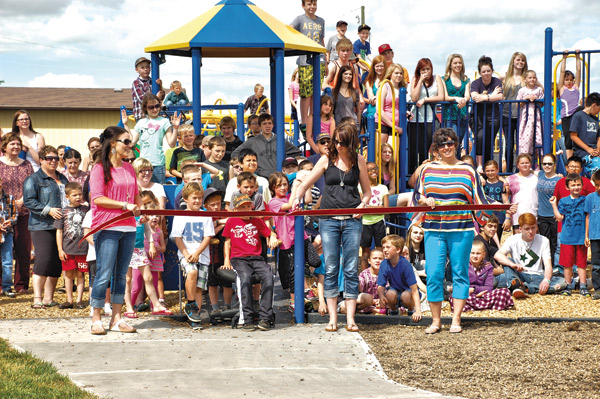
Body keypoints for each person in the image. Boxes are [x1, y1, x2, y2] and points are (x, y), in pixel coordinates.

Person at [412, 128, 505, 334]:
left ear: (456, 144)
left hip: (461, 229)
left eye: (450, 143)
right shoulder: (428, 170)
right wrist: (425, 200)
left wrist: (503, 206)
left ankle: (456, 319)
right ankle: (436, 320)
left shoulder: (468, 170)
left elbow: (480, 199)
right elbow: (417, 195)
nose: (446, 147)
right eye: (442, 144)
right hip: (434, 228)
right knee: (434, 273)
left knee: (460, 273)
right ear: (436, 148)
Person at [293, 122, 371, 333]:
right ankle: (332, 318)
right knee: (331, 267)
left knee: (351, 267)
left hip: (352, 219)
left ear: (351, 142)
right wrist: (296, 199)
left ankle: (351, 319)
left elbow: (367, 192)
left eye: (342, 142)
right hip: (328, 219)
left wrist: (363, 205)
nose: (338, 145)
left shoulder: (359, 160)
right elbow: (305, 183)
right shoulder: (327, 160)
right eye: (335, 141)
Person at [88, 126, 142, 335]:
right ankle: (96, 318)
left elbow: (136, 194)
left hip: (128, 227)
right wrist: (124, 205)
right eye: (126, 142)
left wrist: (138, 208)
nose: (130, 146)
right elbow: (98, 198)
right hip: (107, 226)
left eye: (130, 142)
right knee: (103, 273)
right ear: (113, 144)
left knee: (121, 276)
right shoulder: (99, 169)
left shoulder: (129, 168)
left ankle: (117, 319)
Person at [222, 193, 280, 331]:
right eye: (243, 207)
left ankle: (265, 317)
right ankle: (247, 318)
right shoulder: (231, 221)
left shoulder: (257, 220)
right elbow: (227, 241)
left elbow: (269, 232)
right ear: (235, 209)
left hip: (257, 258)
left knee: (268, 275)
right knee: (245, 278)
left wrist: (272, 236)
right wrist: (226, 260)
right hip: (239, 259)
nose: (247, 209)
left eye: (249, 206)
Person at [24, 145, 69, 309]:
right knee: (43, 260)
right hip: (41, 225)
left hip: (61, 225)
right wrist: (48, 210)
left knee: (57, 261)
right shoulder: (33, 179)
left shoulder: (63, 178)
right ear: (41, 160)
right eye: (49, 158)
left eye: (56, 158)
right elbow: (29, 201)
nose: (53, 161)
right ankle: (37, 298)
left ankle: (48, 298)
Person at [171, 182, 214, 324]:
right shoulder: (180, 216)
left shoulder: (205, 216)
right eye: (194, 198)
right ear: (186, 199)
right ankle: (190, 303)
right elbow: (177, 238)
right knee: (192, 273)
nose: (197, 201)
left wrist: (197, 253)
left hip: (202, 256)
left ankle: (194, 317)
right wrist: (186, 253)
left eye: (199, 198)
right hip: (186, 254)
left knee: (199, 288)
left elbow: (208, 237)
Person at [494, 213, 566, 298]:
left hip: (537, 276)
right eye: (527, 229)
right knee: (497, 275)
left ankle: (523, 288)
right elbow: (497, 255)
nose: (531, 231)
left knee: (562, 282)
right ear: (520, 229)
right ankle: (516, 284)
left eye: (533, 228)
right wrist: (512, 264)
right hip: (518, 274)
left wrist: (546, 280)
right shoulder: (513, 239)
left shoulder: (544, 240)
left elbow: (548, 265)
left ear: (536, 227)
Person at [268, 172, 311, 311]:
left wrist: (304, 183)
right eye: (278, 185)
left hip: (301, 237)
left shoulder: (290, 196)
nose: (282, 187)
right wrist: (295, 186)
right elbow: (289, 205)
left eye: (285, 184)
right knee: (293, 271)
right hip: (288, 241)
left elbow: (308, 199)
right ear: (273, 188)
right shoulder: (273, 202)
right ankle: (294, 300)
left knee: (315, 261)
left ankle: (308, 287)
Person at [0, 133, 34, 294]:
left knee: (23, 248)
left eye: (18, 144)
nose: (15, 147)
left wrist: (21, 201)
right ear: (4, 146)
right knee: (2, 249)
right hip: (2, 214)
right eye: (12, 144)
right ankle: (1, 285)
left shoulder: (26, 164)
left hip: (23, 211)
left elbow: (32, 186)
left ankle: (21, 285)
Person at [289, 0, 325, 146]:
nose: (312, 7)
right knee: (306, 92)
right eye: (309, 4)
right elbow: (289, 29)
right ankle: (304, 121)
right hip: (305, 59)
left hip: (319, 59)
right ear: (303, 6)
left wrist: (326, 60)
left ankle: (314, 118)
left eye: (314, 4)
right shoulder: (299, 19)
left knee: (316, 92)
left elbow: (322, 40)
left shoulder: (321, 21)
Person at [127, 93, 180, 184]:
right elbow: (132, 143)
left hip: (158, 163)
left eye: (157, 106)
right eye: (151, 107)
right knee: (143, 192)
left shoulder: (164, 121)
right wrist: (125, 125)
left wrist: (175, 128)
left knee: (157, 191)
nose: (155, 109)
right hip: (143, 164)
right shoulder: (141, 122)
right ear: (145, 108)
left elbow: (171, 144)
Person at [550, 174, 589, 296]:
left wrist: (587, 235)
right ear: (568, 187)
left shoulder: (585, 199)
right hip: (567, 237)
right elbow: (559, 218)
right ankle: (568, 285)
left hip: (581, 236)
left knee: (582, 263)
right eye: (573, 185)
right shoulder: (564, 201)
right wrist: (554, 205)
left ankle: (583, 285)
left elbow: (588, 216)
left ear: (582, 186)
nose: (576, 187)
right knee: (567, 264)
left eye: (578, 184)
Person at [231, 114, 301, 179]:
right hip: (260, 176)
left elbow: (297, 152)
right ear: (260, 126)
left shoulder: (280, 140)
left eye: (269, 123)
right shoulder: (252, 141)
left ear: (273, 125)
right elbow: (235, 154)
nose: (267, 126)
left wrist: (286, 161)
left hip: (277, 176)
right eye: (264, 124)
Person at [450, 240, 514, 312]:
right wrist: (471, 292)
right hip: (467, 296)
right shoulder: (463, 266)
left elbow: (489, 287)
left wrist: (474, 290)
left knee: (504, 292)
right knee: (455, 297)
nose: (475, 256)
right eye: (472, 253)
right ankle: (482, 308)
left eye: (478, 253)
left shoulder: (488, 267)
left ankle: (484, 309)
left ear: (483, 254)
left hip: (484, 295)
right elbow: (460, 285)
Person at [54, 182, 89, 309]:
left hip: (83, 249)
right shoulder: (63, 212)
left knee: (80, 274)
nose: (78, 197)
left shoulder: (86, 210)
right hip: (68, 248)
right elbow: (59, 231)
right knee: (68, 275)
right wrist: (60, 249)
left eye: (80, 194)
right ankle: (69, 300)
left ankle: (79, 300)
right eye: (75, 195)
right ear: (67, 196)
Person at [408, 58, 444, 174]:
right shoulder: (415, 79)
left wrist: (425, 99)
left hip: (429, 119)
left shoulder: (436, 78)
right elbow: (414, 97)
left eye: (428, 69)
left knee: (425, 149)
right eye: (423, 69)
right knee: (413, 150)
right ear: (419, 71)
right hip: (415, 119)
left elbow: (441, 97)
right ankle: (411, 175)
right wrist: (420, 81)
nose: (426, 72)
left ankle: (423, 174)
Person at [377, 235, 422, 321]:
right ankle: (393, 311)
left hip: (407, 291)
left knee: (406, 296)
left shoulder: (405, 265)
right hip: (395, 290)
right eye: (383, 248)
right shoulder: (384, 264)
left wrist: (418, 310)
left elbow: (414, 289)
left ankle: (411, 310)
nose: (385, 250)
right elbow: (380, 285)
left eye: (388, 247)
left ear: (398, 250)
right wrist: (381, 296)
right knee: (389, 294)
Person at [470, 55, 504, 170]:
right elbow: (475, 96)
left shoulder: (497, 81)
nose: (486, 73)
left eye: (488, 71)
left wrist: (485, 98)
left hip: (493, 117)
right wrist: (491, 95)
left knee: (489, 142)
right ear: (480, 72)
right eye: (483, 71)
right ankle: (479, 165)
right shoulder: (475, 83)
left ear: (492, 71)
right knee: (480, 137)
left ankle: (488, 167)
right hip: (477, 116)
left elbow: (500, 96)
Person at [500, 52, 532, 170]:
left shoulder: (526, 78)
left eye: (522, 60)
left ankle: (520, 169)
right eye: (518, 60)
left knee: (521, 144)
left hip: (522, 115)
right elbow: (493, 83)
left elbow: (541, 88)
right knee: (509, 144)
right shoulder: (505, 77)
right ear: (513, 61)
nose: (520, 62)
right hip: (506, 114)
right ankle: (509, 169)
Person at [360, 162, 389, 270]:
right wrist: (378, 208)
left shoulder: (383, 188)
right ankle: (364, 277)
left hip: (379, 222)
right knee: (365, 253)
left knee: (381, 250)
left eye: (375, 169)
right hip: (365, 223)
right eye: (370, 170)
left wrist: (369, 208)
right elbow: (362, 208)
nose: (373, 171)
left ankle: (380, 275)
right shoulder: (360, 187)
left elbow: (386, 210)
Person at [340, 249, 384, 314]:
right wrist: (373, 301)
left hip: (380, 303)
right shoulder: (364, 275)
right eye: (375, 258)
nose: (377, 261)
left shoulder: (386, 275)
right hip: (366, 302)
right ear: (369, 261)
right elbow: (360, 293)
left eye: (380, 259)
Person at [441, 53, 470, 149]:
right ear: (450, 65)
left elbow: (467, 95)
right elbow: (445, 96)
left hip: (462, 115)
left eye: (460, 63)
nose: (458, 65)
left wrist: (465, 100)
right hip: (449, 115)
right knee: (451, 142)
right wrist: (455, 98)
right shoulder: (444, 79)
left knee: (458, 143)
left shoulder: (466, 79)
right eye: (455, 63)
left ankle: (457, 161)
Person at [504, 153, 538, 233]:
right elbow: (505, 199)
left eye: (527, 162)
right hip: (517, 215)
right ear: (518, 165)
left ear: (530, 164)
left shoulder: (536, 178)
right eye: (522, 163)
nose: (524, 165)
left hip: (533, 213)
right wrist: (508, 216)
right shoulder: (510, 179)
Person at [536, 154, 561, 261]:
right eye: (544, 163)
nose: (546, 166)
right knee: (544, 241)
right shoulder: (540, 174)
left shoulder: (559, 179)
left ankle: (556, 265)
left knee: (554, 242)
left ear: (554, 165)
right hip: (542, 215)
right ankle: (547, 263)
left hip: (554, 215)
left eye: (549, 164)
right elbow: (527, 171)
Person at [558, 50, 582, 160]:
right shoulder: (562, 89)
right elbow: (562, 73)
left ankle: (578, 160)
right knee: (568, 140)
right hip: (567, 117)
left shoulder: (576, 87)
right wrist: (564, 58)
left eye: (571, 80)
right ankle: (569, 161)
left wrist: (577, 57)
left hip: (576, 115)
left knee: (577, 137)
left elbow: (578, 70)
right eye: (567, 80)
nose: (569, 82)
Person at [569, 92, 600, 176]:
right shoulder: (578, 116)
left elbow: (598, 137)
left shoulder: (595, 119)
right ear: (594, 105)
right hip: (582, 152)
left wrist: (598, 149)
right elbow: (573, 136)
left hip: (594, 151)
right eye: (599, 109)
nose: (599, 111)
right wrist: (588, 149)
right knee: (597, 165)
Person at [375, 64, 406, 146]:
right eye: (396, 73)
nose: (399, 75)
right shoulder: (384, 86)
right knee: (380, 153)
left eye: (401, 73)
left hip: (395, 124)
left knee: (393, 154)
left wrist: (407, 113)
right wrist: (393, 126)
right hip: (383, 123)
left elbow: (398, 107)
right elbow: (379, 110)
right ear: (390, 74)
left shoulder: (402, 89)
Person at [517, 70, 544, 157]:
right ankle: (526, 158)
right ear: (525, 80)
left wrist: (536, 99)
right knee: (526, 138)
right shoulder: (522, 90)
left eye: (534, 77)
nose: (532, 79)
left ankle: (537, 161)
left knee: (538, 137)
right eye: (530, 77)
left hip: (537, 116)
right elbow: (518, 105)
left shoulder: (539, 90)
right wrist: (526, 99)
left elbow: (542, 104)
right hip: (526, 117)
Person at [0, 176, 17, 298]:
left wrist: (10, 221)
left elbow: (15, 214)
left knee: (7, 261)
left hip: (7, 233)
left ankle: (7, 286)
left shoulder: (9, 198)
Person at [131, 57, 163, 121]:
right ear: (137, 70)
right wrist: (156, 97)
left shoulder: (153, 81)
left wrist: (160, 85)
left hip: (154, 113)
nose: (145, 69)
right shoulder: (136, 83)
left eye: (147, 67)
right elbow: (142, 99)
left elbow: (162, 96)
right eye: (142, 68)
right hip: (142, 116)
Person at [585, 169, 600, 300]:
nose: (599, 188)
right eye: (597, 185)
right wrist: (586, 235)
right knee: (596, 265)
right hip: (595, 236)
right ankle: (598, 289)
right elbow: (588, 216)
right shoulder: (590, 198)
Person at [483, 160, 507, 236]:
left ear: (497, 170)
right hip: (486, 215)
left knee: (495, 242)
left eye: (492, 170)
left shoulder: (502, 184)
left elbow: (506, 201)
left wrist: (507, 218)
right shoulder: (482, 184)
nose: (490, 173)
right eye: (487, 171)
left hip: (499, 216)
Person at [364, 54, 387, 121]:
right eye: (377, 66)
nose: (379, 68)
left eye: (381, 66)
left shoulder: (388, 80)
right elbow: (372, 101)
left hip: (386, 111)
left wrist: (376, 97)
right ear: (373, 67)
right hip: (373, 112)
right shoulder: (369, 81)